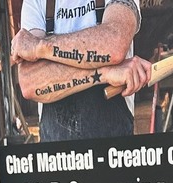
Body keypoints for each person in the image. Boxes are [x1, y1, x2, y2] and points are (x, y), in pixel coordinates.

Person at [12, 0, 150, 142]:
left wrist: (40, 47)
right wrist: (105, 73)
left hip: (112, 153)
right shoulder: (35, 2)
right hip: (57, 158)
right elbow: (31, 82)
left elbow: (115, 42)